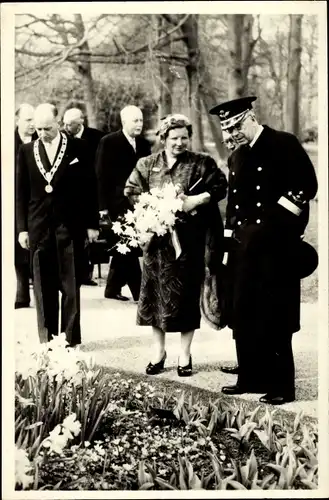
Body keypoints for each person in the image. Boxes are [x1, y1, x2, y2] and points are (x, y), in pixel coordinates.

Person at [209, 96, 318, 404]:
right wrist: (227, 244)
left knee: (276, 317)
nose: (233, 135)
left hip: (276, 247)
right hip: (244, 250)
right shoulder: (237, 156)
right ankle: (249, 377)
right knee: (243, 313)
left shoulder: (283, 143)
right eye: (228, 130)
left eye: (237, 126)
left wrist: (271, 227)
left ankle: (283, 386)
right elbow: (233, 206)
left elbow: (304, 188)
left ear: (251, 116)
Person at [124, 114, 227, 376]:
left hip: (188, 245)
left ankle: (184, 354)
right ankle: (158, 352)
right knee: (155, 299)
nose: (179, 143)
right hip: (157, 246)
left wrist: (197, 200)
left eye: (184, 137)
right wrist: (149, 210)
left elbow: (220, 186)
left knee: (185, 299)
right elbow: (132, 190)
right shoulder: (147, 164)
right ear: (163, 138)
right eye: (174, 138)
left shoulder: (201, 163)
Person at [16, 103, 99, 346]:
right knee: (43, 286)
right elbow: (21, 193)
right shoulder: (26, 151)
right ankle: (47, 339)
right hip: (39, 227)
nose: (42, 133)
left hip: (70, 225)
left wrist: (92, 224)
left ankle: (70, 339)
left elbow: (90, 188)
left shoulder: (78, 147)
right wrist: (22, 228)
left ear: (59, 122)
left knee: (71, 285)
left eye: (48, 128)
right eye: (38, 129)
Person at [95, 105, 151, 301]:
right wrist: (102, 208)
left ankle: (111, 288)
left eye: (141, 120)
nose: (139, 124)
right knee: (127, 244)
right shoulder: (108, 142)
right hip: (116, 203)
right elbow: (101, 176)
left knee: (124, 246)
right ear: (124, 122)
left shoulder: (144, 145)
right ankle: (140, 293)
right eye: (135, 120)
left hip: (138, 203)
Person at [63, 107, 104, 286]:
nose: (65, 127)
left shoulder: (96, 137)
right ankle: (78, 274)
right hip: (72, 192)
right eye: (63, 123)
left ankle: (87, 274)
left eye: (69, 124)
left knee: (89, 237)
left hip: (92, 186)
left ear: (80, 122)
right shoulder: (64, 138)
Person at [14, 104, 38, 309]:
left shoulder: (40, 142)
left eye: (34, 120)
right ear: (17, 120)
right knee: (17, 251)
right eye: (28, 120)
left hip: (35, 203)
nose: (32, 124)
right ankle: (22, 294)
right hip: (13, 200)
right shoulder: (8, 142)